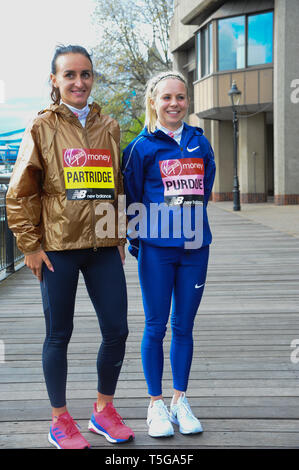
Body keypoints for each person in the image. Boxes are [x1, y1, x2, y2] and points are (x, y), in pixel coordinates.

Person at [6, 45, 134, 449]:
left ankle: (103, 410)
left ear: (92, 79)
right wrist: (29, 245)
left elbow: (117, 184)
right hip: (59, 247)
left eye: (86, 74)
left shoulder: (109, 125)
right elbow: (20, 192)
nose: (79, 82)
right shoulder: (41, 126)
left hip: (102, 246)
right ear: (55, 81)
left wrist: (117, 234)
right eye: (70, 75)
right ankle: (59, 419)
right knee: (59, 334)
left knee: (117, 329)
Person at [122, 71, 216, 438]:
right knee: (155, 325)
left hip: (195, 247)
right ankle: (155, 404)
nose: (174, 104)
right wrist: (138, 239)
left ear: (187, 102)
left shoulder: (200, 143)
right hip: (156, 249)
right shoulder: (140, 147)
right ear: (153, 102)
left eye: (180, 97)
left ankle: (180, 401)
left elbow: (205, 189)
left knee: (184, 326)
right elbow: (131, 197)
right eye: (166, 98)